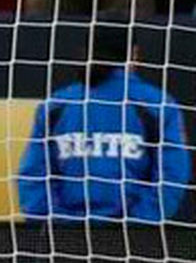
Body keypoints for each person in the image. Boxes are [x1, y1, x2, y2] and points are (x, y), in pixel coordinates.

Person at [17, 24, 191, 223]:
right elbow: (172, 176)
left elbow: (32, 176)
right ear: (134, 54)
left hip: (63, 235)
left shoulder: (56, 105)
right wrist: (138, 225)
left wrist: (57, 224)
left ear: (86, 52)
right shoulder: (157, 104)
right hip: (135, 237)